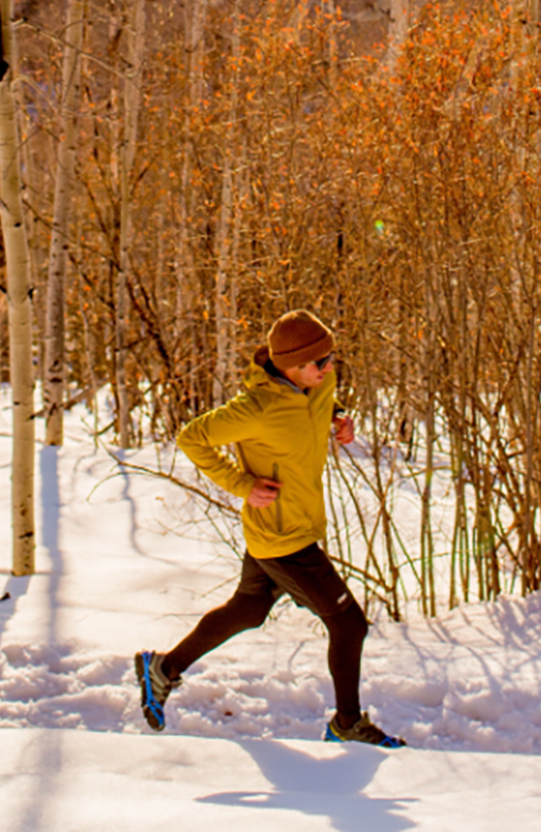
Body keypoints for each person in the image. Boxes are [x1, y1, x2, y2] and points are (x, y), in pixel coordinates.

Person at [134, 308, 403, 748]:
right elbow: (191, 438)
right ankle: (347, 725)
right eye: (321, 362)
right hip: (283, 539)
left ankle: (163, 669)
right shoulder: (256, 409)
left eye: (331, 358)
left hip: (292, 527)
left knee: (248, 610)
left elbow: (316, 407)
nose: (330, 368)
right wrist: (242, 484)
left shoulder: (317, 384)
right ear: (293, 365)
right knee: (349, 623)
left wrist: (338, 418)